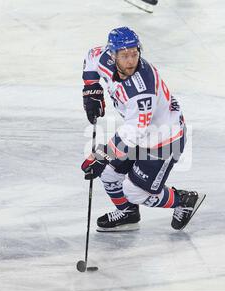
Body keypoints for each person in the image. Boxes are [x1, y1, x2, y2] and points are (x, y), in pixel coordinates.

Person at [81, 26, 206, 232]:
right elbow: (91, 57)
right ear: (112, 55)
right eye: (124, 55)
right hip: (141, 134)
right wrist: (91, 89)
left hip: (164, 139)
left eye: (134, 54)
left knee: (134, 191)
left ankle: (184, 200)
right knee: (109, 175)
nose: (131, 60)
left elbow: (135, 130)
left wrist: (103, 154)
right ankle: (128, 214)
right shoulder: (104, 58)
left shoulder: (142, 90)